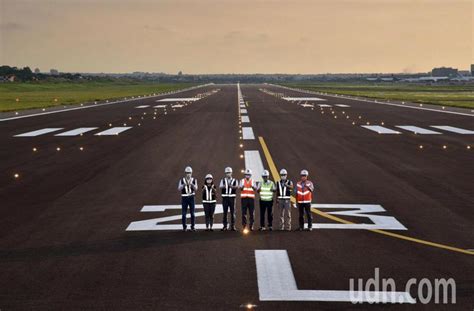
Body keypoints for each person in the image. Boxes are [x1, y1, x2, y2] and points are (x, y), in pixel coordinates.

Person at [178, 166, 198, 231]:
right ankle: (184, 227)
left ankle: (193, 226)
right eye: (187, 173)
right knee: (184, 214)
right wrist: (184, 184)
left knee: (192, 213)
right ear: (185, 173)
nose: (188, 174)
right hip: (184, 198)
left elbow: (196, 189)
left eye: (189, 173)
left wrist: (191, 184)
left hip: (192, 197)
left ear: (191, 173)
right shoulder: (181, 180)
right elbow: (179, 188)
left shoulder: (194, 180)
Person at [219, 167, 238, 231]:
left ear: (231, 173)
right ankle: (225, 226)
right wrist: (224, 186)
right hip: (225, 198)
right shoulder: (223, 180)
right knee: (225, 212)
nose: (228, 174)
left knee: (233, 213)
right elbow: (220, 186)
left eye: (229, 173)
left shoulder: (235, 180)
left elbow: (237, 187)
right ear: (225, 173)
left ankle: (233, 226)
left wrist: (231, 186)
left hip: (232, 198)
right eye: (227, 173)